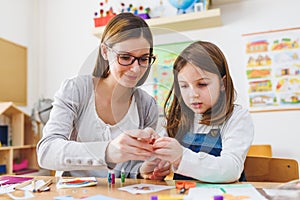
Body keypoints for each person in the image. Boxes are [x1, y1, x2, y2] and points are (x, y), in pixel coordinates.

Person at [37, 12, 170, 180]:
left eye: (144, 59)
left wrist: (144, 169)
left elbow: (131, 167)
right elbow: (47, 152)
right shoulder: (76, 90)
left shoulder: (146, 105)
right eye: (125, 57)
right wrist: (108, 151)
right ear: (105, 52)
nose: (136, 69)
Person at [152, 41, 254, 183]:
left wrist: (181, 157)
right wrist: (156, 166)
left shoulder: (236, 117)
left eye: (202, 84)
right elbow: (162, 161)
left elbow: (231, 169)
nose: (193, 94)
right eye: (184, 86)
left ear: (222, 84)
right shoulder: (174, 119)